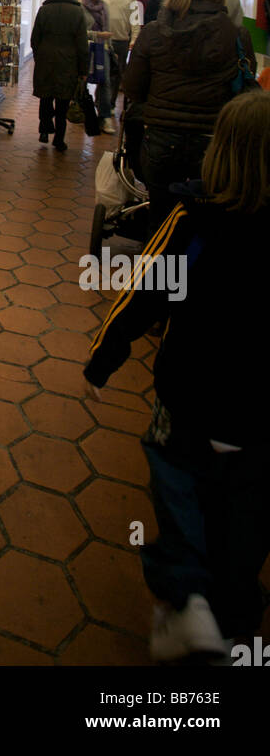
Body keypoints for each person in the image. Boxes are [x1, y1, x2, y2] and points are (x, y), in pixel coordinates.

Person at [82, 90, 270, 661]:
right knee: (247, 510)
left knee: (178, 483)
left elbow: (144, 294)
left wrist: (103, 357)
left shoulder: (194, 222)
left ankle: (187, 600)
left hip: (189, 392)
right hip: (258, 412)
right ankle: (234, 614)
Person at [122, 0, 240, 233]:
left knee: (161, 215)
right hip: (213, 141)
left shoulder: (153, 32)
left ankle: (161, 273)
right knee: (206, 217)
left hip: (163, 137)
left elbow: (133, 89)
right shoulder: (236, 36)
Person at [30, 0, 89, 152]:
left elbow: (35, 39)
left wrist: (39, 56)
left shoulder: (44, 10)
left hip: (46, 60)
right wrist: (83, 69)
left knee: (46, 96)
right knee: (63, 101)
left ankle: (44, 130)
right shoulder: (77, 12)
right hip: (68, 62)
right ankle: (59, 138)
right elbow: (82, 45)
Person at [101, 0, 142, 112]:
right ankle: (101, 101)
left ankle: (111, 103)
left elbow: (135, 21)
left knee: (117, 74)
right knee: (102, 73)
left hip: (122, 40)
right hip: (103, 40)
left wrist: (134, 39)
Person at [79, 0, 116, 133]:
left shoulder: (104, 6)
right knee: (82, 82)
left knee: (105, 81)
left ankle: (105, 116)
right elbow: (79, 32)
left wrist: (110, 47)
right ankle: (81, 112)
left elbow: (107, 28)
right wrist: (97, 35)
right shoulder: (80, 7)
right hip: (86, 49)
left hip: (103, 49)